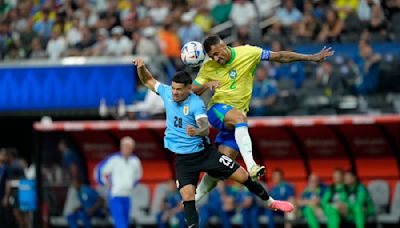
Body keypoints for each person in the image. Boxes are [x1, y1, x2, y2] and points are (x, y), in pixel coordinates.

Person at [132, 58, 294, 228]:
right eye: (173, 88)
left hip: (205, 154)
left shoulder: (196, 103)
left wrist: (197, 131)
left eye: (179, 89)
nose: (175, 93)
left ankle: (270, 202)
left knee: (243, 176)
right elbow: (148, 80)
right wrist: (142, 68)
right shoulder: (166, 93)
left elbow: (204, 127)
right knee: (188, 197)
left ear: (189, 89)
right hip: (184, 159)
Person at [192, 35, 334, 201]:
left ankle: (192, 199)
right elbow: (193, 90)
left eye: (217, 53)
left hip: (236, 121)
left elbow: (280, 56)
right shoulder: (209, 66)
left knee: (220, 168)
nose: (216, 58)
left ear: (224, 46)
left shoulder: (248, 52)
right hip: (217, 110)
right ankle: (252, 165)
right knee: (239, 118)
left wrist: (310, 57)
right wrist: (207, 85)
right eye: (212, 56)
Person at [97, 136, 143, 228]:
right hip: (115, 195)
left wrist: (131, 185)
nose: (127, 149)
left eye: (129, 147)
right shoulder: (114, 159)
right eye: (125, 147)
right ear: (121, 147)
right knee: (120, 223)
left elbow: (138, 175)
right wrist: (105, 183)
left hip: (127, 195)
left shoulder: (135, 161)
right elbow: (100, 171)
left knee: (125, 221)